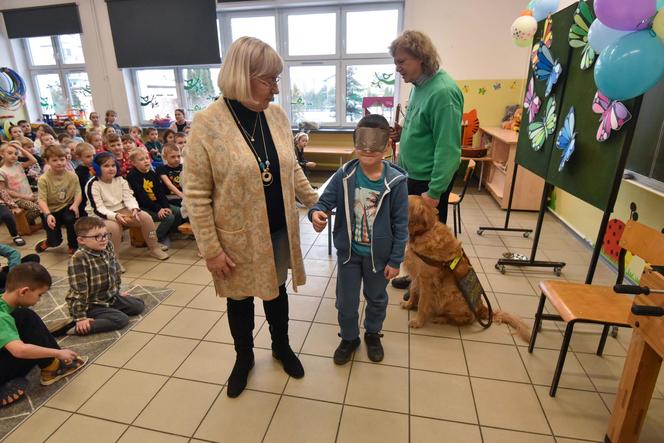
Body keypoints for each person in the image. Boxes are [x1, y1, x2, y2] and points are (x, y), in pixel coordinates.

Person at [184, 36, 318, 398]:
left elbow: (290, 169)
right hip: (236, 237)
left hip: (276, 230)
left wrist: (314, 202)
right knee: (240, 299)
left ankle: (281, 346)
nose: (276, 88)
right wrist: (210, 249)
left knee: (275, 292)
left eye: (277, 79)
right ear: (243, 76)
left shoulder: (275, 115)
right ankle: (243, 357)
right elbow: (195, 195)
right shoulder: (207, 123)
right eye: (270, 79)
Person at [309, 115, 408, 364]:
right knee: (346, 301)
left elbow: (401, 225)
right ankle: (349, 337)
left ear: (387, 146)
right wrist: (316, 213)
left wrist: (396, 260)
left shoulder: (396, 183)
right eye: (362, 143)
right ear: (355, 143)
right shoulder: (345, 174)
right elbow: (323, 201)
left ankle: (373, 334)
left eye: (375, 144)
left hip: (380, 257)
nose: (368, 150)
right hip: (349, 255)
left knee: (376, 298)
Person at [389, 30, 464, 292]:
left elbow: (449, 149)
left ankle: (433, 287)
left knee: (429, 238)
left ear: (421, 58)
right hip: (413, 176)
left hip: (427, 182)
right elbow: (426, 129)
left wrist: (434, 192)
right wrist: (403, 133)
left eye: (402, 61)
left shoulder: (442, 92)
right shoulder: (420, 86)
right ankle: (417, 278)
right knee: (415, 235)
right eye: (396, 62)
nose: (397, 68)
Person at [0, 262, 87, 408]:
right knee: (27, 325)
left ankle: (51, 363)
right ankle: (53, 366)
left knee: (24, 317)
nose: (40, 300)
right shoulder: (2, 317)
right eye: (39, 295)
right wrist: (58, 353)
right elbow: (19, 350)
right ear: (24, 291)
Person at [65, 217, 144, 335]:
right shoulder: (79, 258)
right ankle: (78, 328)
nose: (104, 239)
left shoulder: (108, 246)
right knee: (121, 319)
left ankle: (106, 311)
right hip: (91, 303)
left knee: (138, 305)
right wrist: (80, 317)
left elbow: (115, 271)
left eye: (106, 235)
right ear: (81, 240)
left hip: (109, 297)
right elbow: (79, 291)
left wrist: (116, 292)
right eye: (97, 236)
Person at [85, 152, 169, 263]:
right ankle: (114, 259)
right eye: (106, 166)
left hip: (122, 209)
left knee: (145, 217)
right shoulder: (93, 184)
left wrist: (134, 208)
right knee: (114, 228)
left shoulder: (120, 180)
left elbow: (129, 197)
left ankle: (154, 247)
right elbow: (98, 208)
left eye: (113, 165)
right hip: (101, 215)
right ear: (97, 168)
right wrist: (115, 216)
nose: (111, 169)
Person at [126, 148, 183, 247]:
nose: (146, 161)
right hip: (143, 207)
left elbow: (160, 193)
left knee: (177, 211)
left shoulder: (152, 173)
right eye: (141, 159)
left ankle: (171, 233)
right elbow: (142, 198)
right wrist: (158, 209)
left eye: (147, 158)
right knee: (169, 217)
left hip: (156, 205)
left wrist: (166, 206)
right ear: (134, 163)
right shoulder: (132, 175)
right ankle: (155, 240)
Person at [35, 145, 82, 254]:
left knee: (71, 219)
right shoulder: (43, 179)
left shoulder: (72, 176)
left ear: (66, 159)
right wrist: (47, 214)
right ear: (47, 161)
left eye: (62, 159)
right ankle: (49, 242)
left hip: (66, 206)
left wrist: (75, 205)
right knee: (55, 242)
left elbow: (78, 192)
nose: (59, 163)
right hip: (50, 210)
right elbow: (41, 200)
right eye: (55, 160)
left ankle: (73, 246)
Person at [0, 141, 41, 226]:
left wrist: (20, 148)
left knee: (45, 201)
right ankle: (22, 223)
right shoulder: (2, 171)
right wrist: (25, 197)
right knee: (36, 209)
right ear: (2, 154)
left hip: (29, 194)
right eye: (10, 153)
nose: (13, 156)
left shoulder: (18, 165)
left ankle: (37, 222)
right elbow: (6, 190)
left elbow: (34, 160)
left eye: (16, 154)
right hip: (17, 199)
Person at [74, 142, 95, 217]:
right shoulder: (79, 172)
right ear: (79, 157)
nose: (92, 158)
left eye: (93, 155)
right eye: (88, 156)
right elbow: (83, 190)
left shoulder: (92, 167)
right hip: (84, 202)